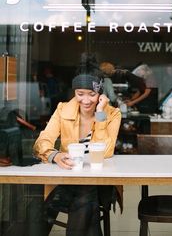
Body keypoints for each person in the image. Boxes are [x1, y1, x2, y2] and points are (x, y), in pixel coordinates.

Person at [33, 65, 121, 236]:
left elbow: (107, 151)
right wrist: (55, 155)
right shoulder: (62, 110)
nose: (86, 101)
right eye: (80, 94)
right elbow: (41, 142)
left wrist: (100, 113)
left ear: (101, 94)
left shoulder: (112, 114)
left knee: (84, 192)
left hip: (100, 183)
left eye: (92, 94)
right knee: (86, 201)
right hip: (67, 178)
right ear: (74, 92)